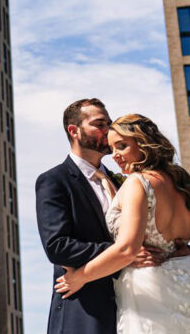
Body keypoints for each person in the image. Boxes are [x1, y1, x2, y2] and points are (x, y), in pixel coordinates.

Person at [54, 113, 190, 333]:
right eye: (112, 148)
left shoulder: (138, 183)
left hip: (149, 299)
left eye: (122, 146)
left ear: (143, 143)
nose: (115, 155)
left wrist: (79, 277)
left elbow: (127, 249)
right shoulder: (185, 187)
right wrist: (183, 264)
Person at [36, 99, 173, 334]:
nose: (107, 130)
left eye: (109, 124)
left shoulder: (125, 181)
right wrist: (124, 254)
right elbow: (57, 247)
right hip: (84, 312)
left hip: (136, 307)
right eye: (99, 124)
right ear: (74, 131)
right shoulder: (54, 180)